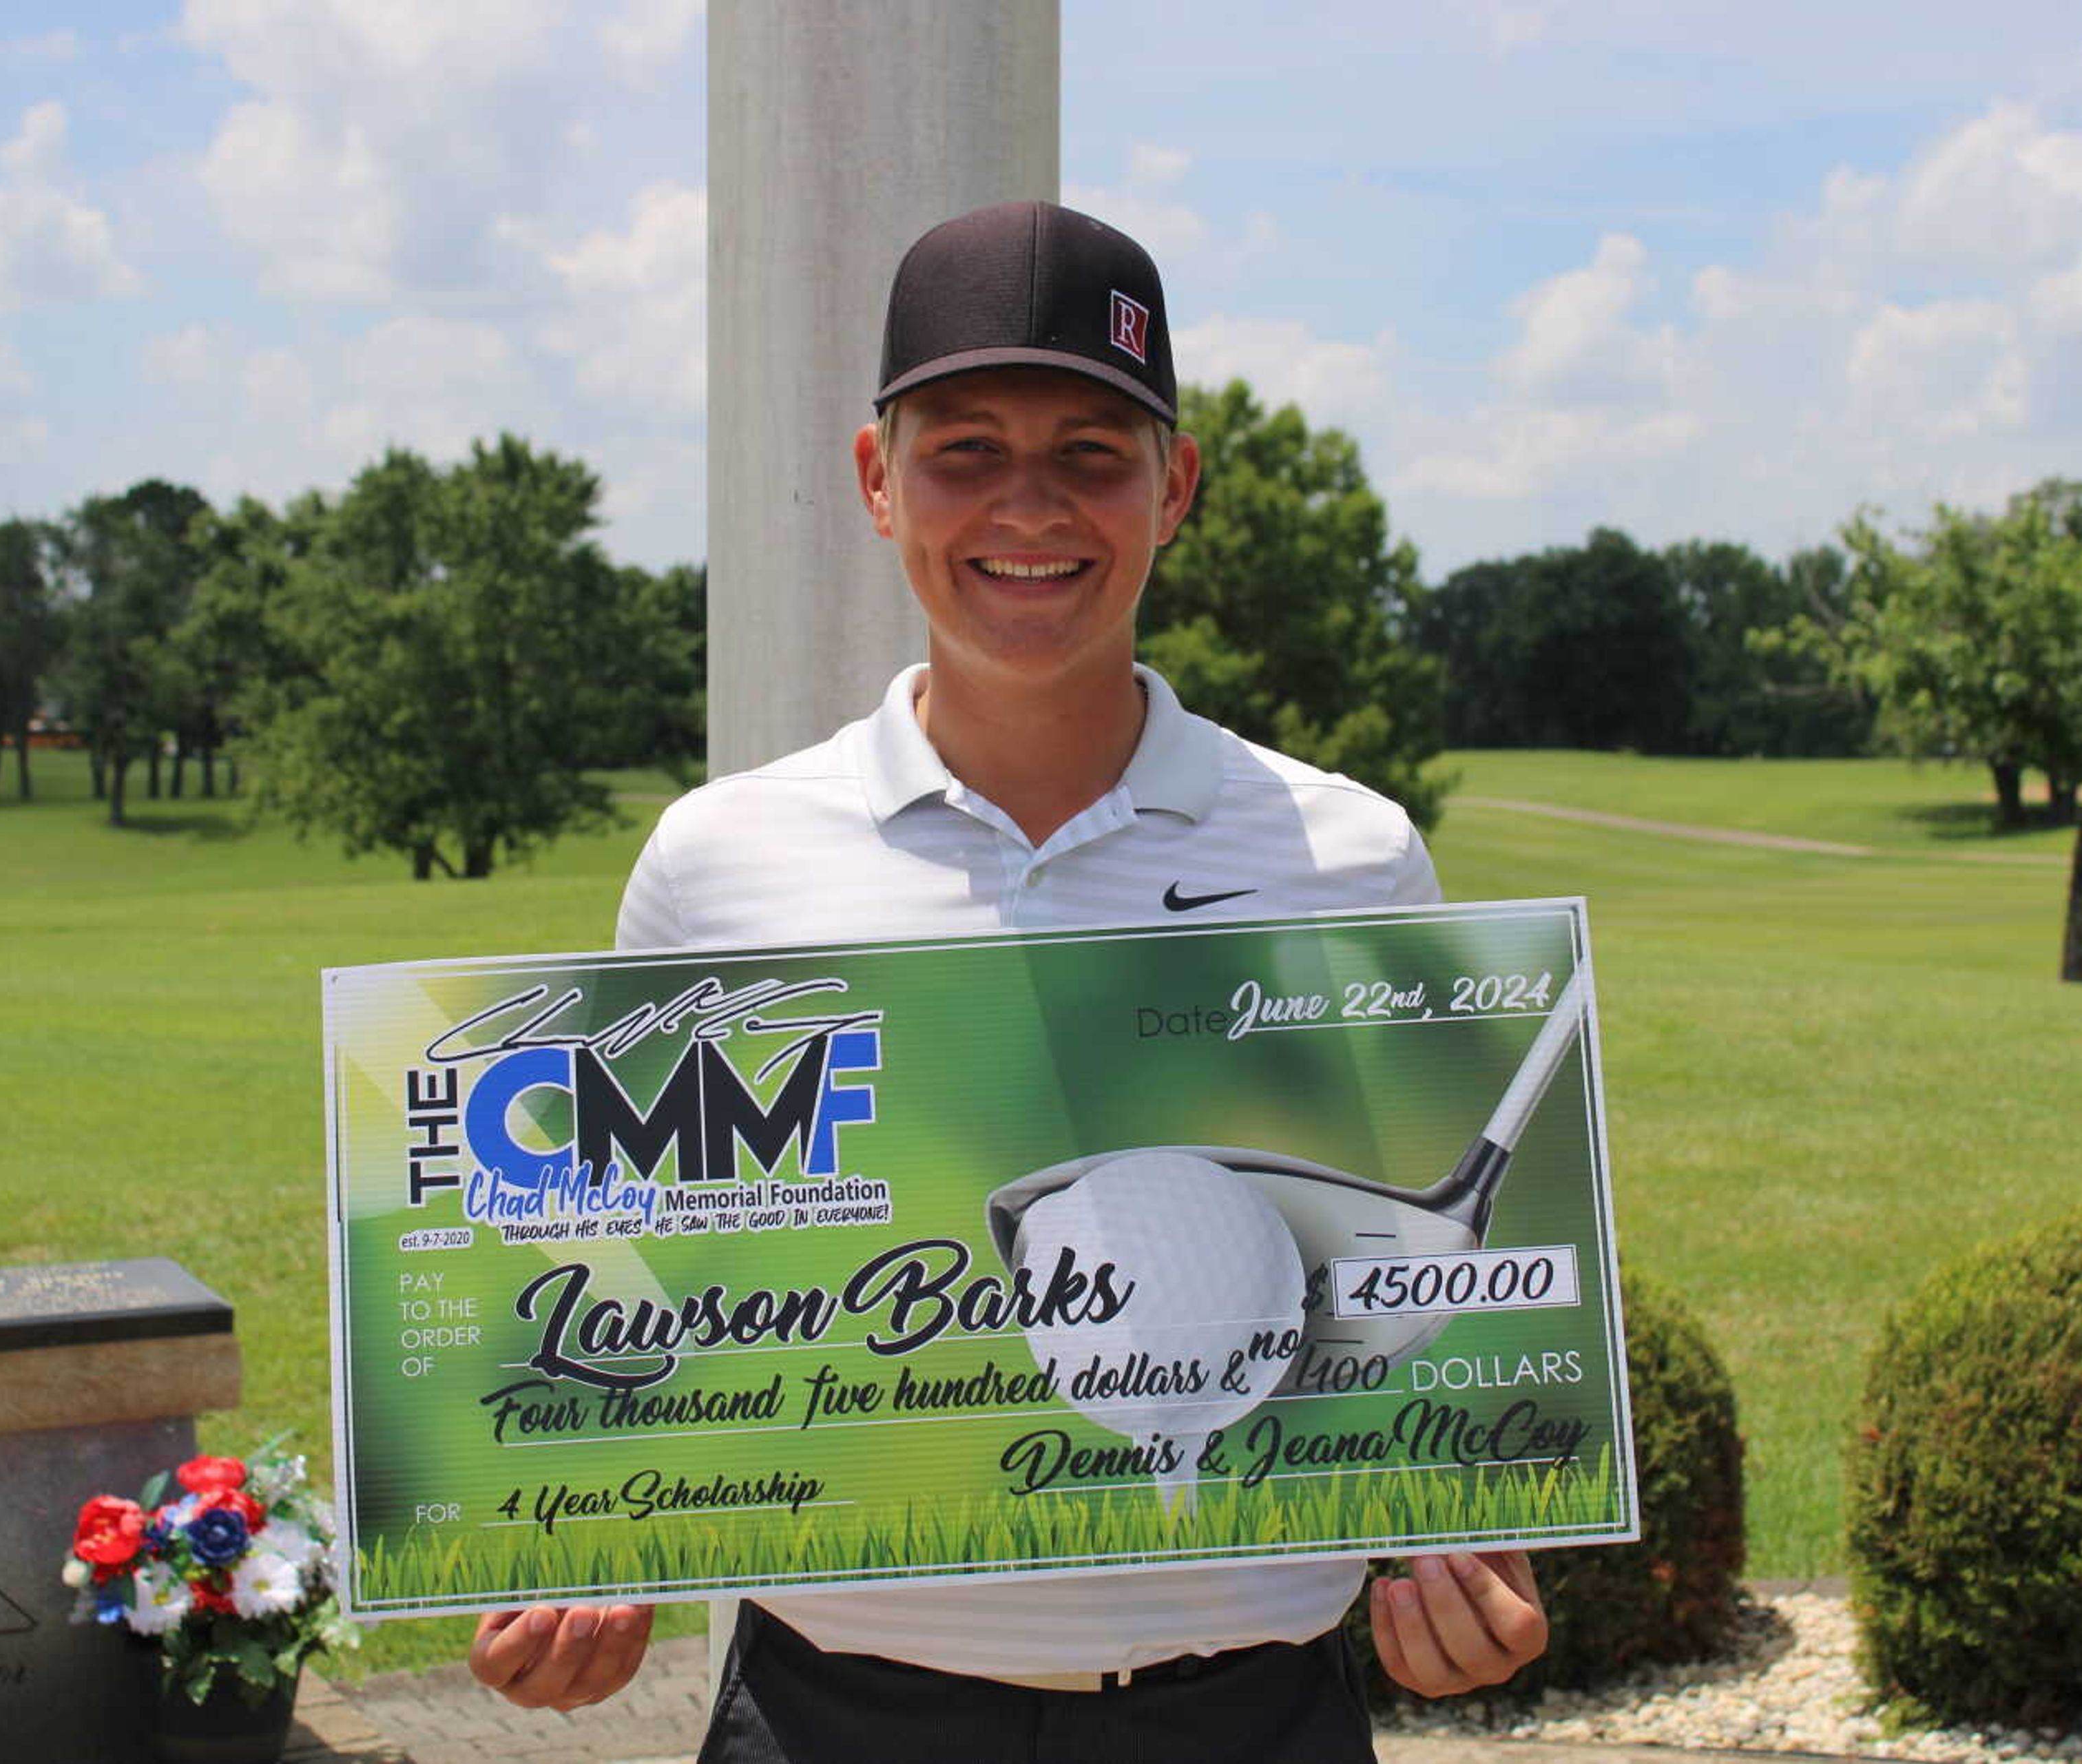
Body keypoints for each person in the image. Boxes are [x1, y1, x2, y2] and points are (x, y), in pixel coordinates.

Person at [468, 200, 1548, 1762]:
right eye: (965, 448)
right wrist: (569, 1543)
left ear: (1173, 487)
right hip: (831, 1715)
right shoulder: (720, 861)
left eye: (1092, 454)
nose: (1028, 506)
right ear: (875, 480)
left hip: (1249, 1718)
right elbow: (614, 1274)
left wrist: (1466, 1566)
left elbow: (1413, 1323)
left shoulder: (1352, 854)